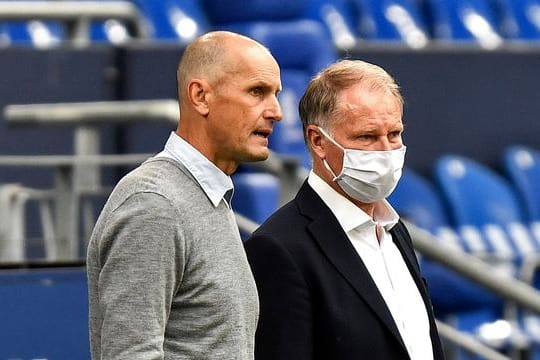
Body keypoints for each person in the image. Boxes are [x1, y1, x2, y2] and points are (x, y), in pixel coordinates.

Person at [86, 31, 282, 359]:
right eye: (257, 92)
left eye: (276, 94)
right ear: (200, 96)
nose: (276, 111)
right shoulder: (154, 204)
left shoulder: (207, 195)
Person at [244, 59, 444, 359]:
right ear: (318, 141)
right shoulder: (279, 248)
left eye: (394, 134)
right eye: (367, 137)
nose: (387, 151)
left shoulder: (395, 232)